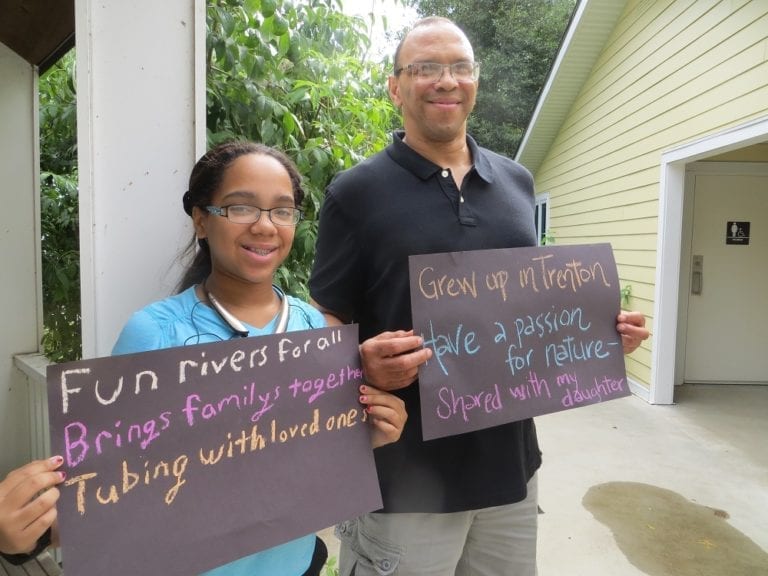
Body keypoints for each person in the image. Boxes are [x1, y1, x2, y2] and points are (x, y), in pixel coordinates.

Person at [309, 16, 650, 576]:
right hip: (404, 479)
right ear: (395, 87)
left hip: (512, 470)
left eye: (460, 66)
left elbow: (529, 308)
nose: (446, 80)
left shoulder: (517, 181)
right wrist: (358, 366)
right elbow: (327, 314)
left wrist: (598, 335)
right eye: (425, 68)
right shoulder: (355, 192)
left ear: (475, 80)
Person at [0, 141, 408, 576]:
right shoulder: (155, 333)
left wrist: (366, 436)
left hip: (297, 566)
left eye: (282, 210)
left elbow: (313, 457)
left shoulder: (312, 327)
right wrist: (23, 537)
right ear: (200, 219)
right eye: (240, 208)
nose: (265, 226)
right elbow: (106, 492)